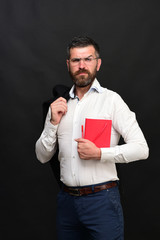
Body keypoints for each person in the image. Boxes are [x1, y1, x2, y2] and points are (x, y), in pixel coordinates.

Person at [35, 36, 149, 240]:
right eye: (76, 60)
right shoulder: (58, 105)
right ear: (68, 64)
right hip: (66, 202)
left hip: (102, 201)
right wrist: (52, 124)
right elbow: (42, 156)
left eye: (88, 59)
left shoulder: (112, 101)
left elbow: (141, 148)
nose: (82, 66)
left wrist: (100, 153)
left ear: (98, 63)